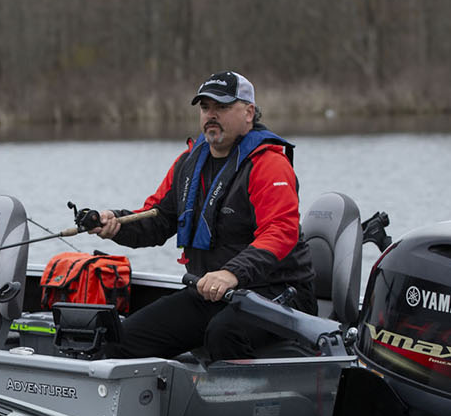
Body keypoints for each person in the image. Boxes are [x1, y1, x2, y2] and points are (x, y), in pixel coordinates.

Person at [87, 70, 316, 360]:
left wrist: (232, 273)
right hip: (211, 293)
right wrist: (116, 224)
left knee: (224, 333)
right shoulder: (188, 163)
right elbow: (158, 219)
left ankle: (236, 404)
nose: (211, 115)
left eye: (222, 107)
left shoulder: (269, 164)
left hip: (278, 296)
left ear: (248, 113)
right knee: (119, 342)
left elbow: (280, 232)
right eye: (205, 107)